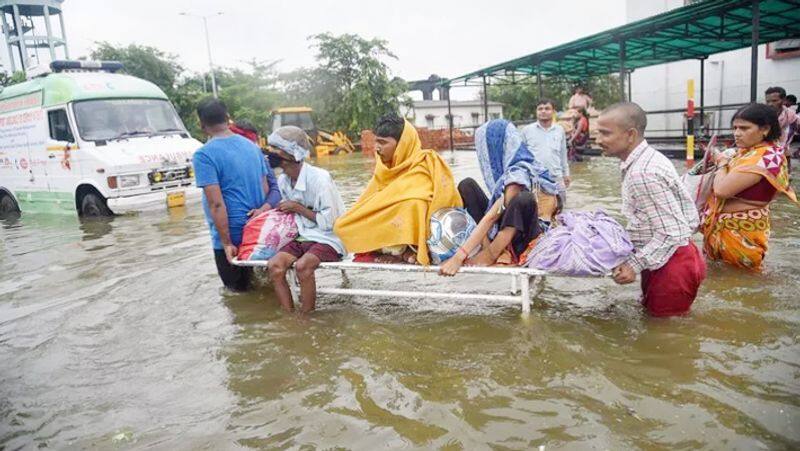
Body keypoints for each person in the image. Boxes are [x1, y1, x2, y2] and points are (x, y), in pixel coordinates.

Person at [597, 102, 705, 317]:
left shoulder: (642, 173)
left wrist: (633, 265)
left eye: (605, 133)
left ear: (630, 135)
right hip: (669, 256)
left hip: (672, 264)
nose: (598, 140)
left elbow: (672, 232)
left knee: (666, 338)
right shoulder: (648, 159)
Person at [334, 113, 462, 265]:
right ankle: (390, 249)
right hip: (392, 225)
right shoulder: (383, 167)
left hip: (427, 230)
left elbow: (434, 199)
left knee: (414, 204)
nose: (377, 148)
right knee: (341, 226)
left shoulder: (424, 164)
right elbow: (370, 200)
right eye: (376, 142)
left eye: (382, 143)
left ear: (402, 144)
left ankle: (410, 249)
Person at [439, 119, 559, 276]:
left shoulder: (518, 174)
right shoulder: (507, 174)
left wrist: (459, 257)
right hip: (506, 223)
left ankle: (494, 253)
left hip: (526, 234)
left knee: (523, 199)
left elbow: (491, 217)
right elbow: (496, 212)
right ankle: (489, 246)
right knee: (466, 185)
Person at [193, 98, 282, 292]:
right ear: (228, 118)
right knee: (265, 290)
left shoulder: (204, 155)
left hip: (231, 235)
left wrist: (225, 243)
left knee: (237, 295)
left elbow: (216, 204)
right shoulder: (253, 148)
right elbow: (266, 189)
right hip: (258, 231)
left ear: (201, 124)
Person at [701, 103, 797, 272]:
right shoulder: (745, 152)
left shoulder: (768, 156)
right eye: (735, 128)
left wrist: (722, 162)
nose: (737, 133)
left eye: (744, 128)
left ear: (765, 129)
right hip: (723, 229)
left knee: (744, 279)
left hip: (741, 232)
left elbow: (722, 190)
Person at [265, 126, 346, 313]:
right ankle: (289, 316)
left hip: (329, 237)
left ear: (293, 155)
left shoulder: (320, 179)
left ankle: (306, 318)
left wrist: (298, 208)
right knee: (274, 266)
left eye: (276, 150)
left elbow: (330, 222)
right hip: (302, 235)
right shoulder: (283, 181)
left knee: (303, 266)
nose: (271, 154)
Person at [521, 99, 571, 203]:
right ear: (536, 111)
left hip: (556, 177)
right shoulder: (527, 130)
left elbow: (563, 155)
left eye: (547, 108)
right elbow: (522, 156)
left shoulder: (559, 130)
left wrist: (566, 174)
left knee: (560, 208)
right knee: (536, 210)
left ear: (553, 112)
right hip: (535, 178)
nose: (543, 111)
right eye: (540, 109)